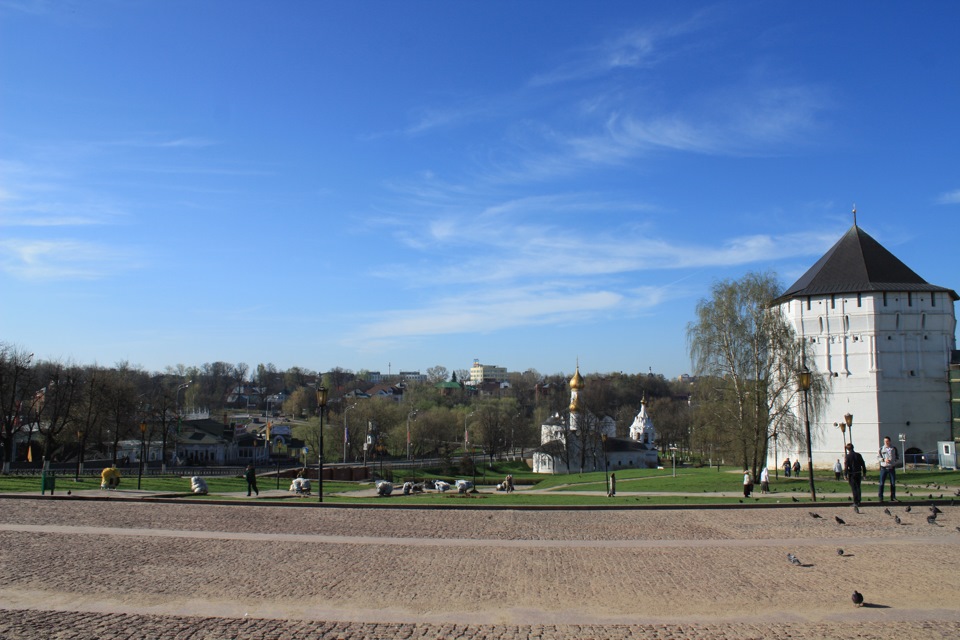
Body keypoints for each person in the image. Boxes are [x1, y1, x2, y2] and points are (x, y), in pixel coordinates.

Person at [878, 435, 900, 502]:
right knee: (881, 483)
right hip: (884, 468)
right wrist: (884, 460)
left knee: (893, 483)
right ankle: (881, 497)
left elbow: (897, 457)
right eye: (885, 441)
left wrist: (894, 462)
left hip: (891, 468)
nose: (886, 442)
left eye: (887, 441)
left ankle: (893, 497)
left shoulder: (893, 448)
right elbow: (878, 457)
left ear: (889, 441)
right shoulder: (881, 449)